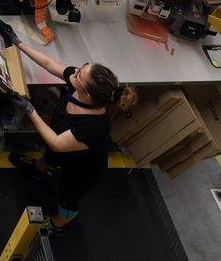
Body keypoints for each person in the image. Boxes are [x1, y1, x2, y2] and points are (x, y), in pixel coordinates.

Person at [9, 45, 137, 235]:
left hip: (83, 169)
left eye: (79, 75)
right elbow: (49, 63)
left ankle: (57, 225)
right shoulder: (78, 86)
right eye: (82, 67)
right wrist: (17, 42)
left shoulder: (94, 128)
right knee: (51, 157)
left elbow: (56, 142)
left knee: (68, 197)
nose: (75, 72)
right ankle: (38, 170)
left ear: (86, 92)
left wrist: (29, 109)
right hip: (63, 145)